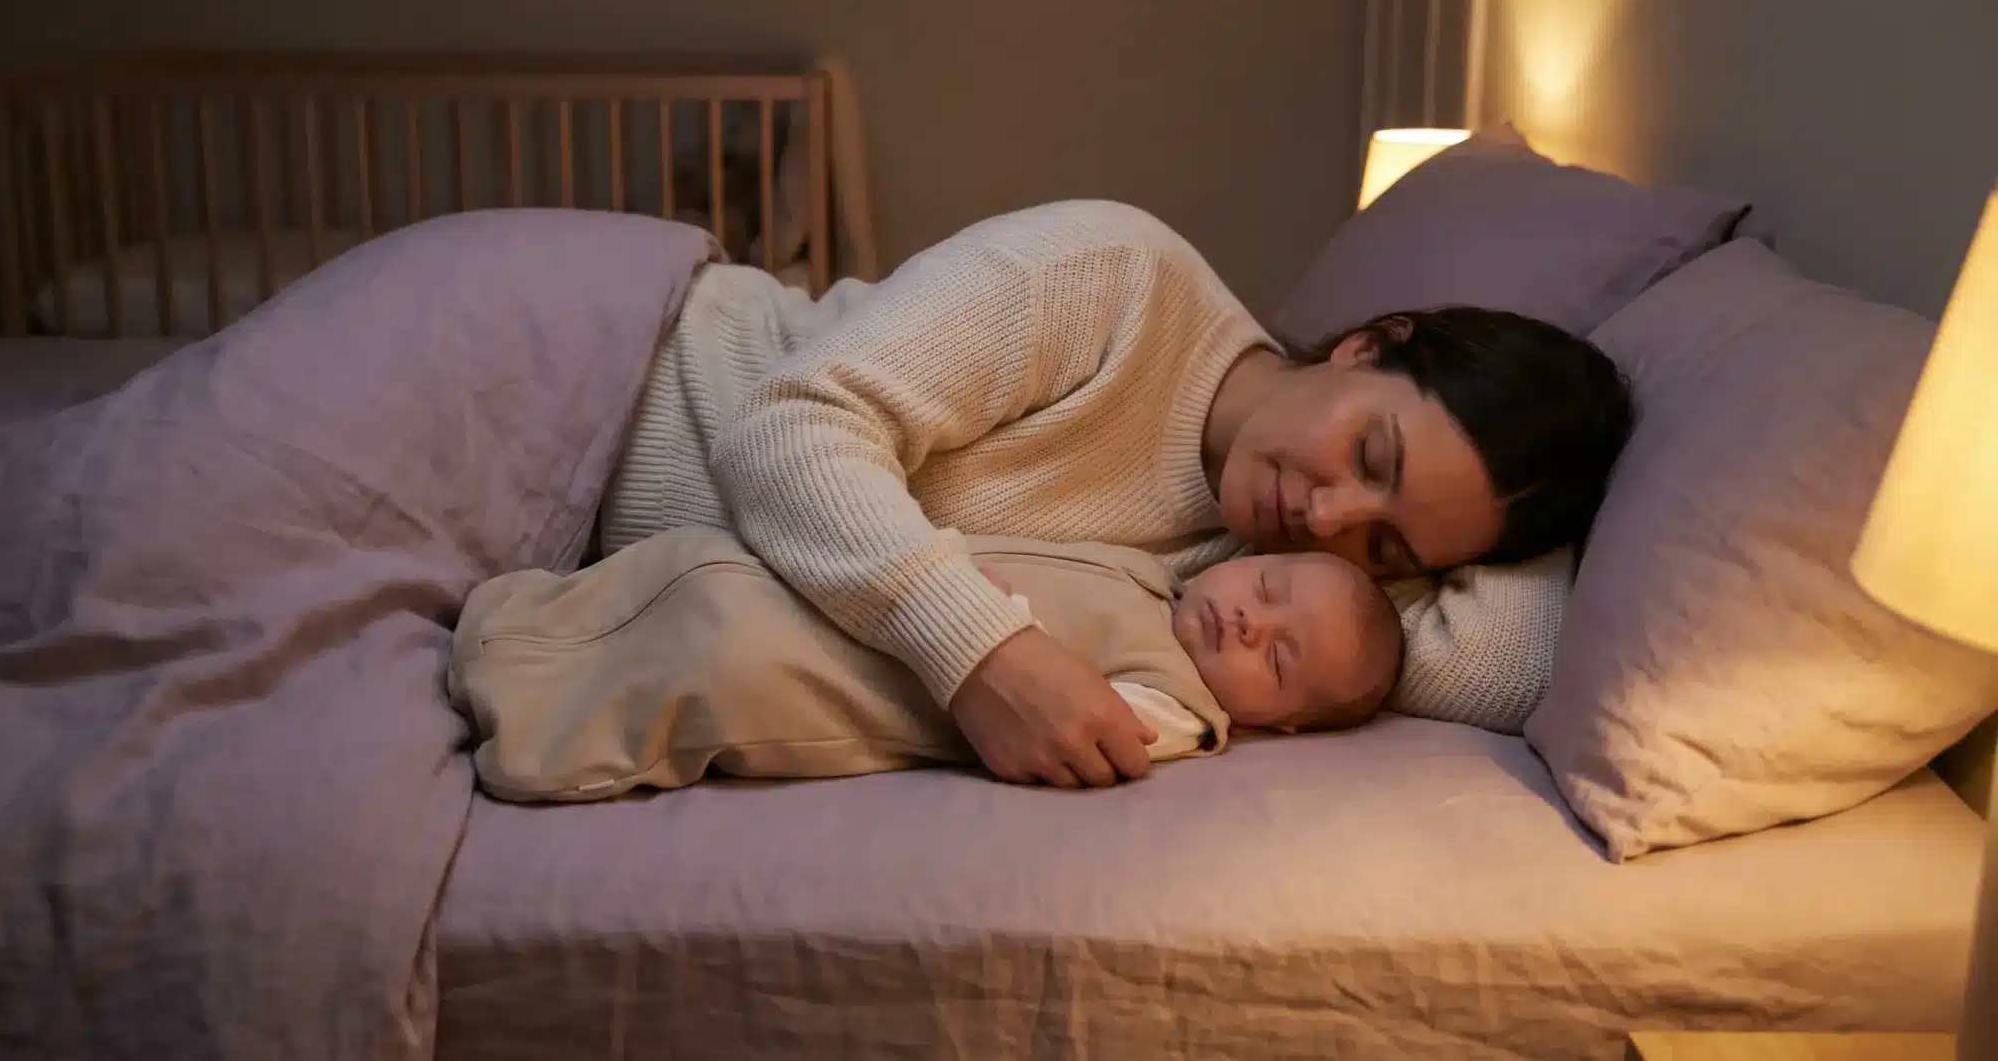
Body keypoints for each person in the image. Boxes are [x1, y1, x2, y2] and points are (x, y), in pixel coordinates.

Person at [600, 199, 1633, 789]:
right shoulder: (1118, 278)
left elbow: (1510, 670)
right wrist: (983, 655)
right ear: (1366, 342)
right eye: (1371, 457)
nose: (1327, 521)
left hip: (583, 569)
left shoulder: (1262, 581)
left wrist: (1557, 507)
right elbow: (787, 427)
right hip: (586, 374)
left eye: (1391, 550)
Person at [449, 527, 1401, 797]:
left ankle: (529, 741)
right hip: (852, 598)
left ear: (1280, 723)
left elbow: (1093, 721)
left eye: (1278, 659)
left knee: (713, 666)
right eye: (1266, 590)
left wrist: (997, 620)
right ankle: (506, 629)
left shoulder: (1186, 712)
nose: (1245, 623)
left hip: (866, 680)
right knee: (695, 574)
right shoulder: (1153, 571)